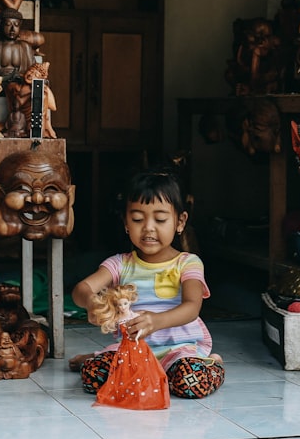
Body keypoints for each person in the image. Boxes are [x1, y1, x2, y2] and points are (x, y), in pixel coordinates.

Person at [70, 170, 224, 399]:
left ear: (180, 222)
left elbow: (192, 307)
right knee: (94, 376)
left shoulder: (187, 263)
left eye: (160, 219)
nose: (149, 228)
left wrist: (157, 321)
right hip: (132, 350)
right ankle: (103, 358)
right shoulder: (120, 264)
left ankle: (213, 364)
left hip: (179, 350)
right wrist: (92, 303)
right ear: (125, 222)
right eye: (138, 219)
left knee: (189, 382)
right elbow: (81, 289)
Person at [0, 8, 39, 81]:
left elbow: (33, 70)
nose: (12, 29)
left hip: (20, 83)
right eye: (8, 24)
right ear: (0, 25)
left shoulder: (25, 46)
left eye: (16, 25)